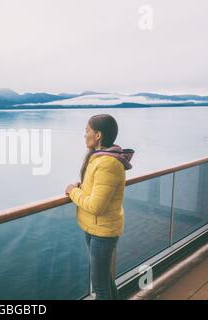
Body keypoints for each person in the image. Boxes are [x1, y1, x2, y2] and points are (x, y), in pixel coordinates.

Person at [65, 114, 134, 300]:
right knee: (105, 280)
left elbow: (96, 206)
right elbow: (97, 190)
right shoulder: (100, 158)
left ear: (98, 135)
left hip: (102, 231)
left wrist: (72, 192)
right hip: (95, 228)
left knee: (100, 286)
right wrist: (82, 188)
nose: (84, 135)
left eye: (87, 130)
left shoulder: (108, 163)